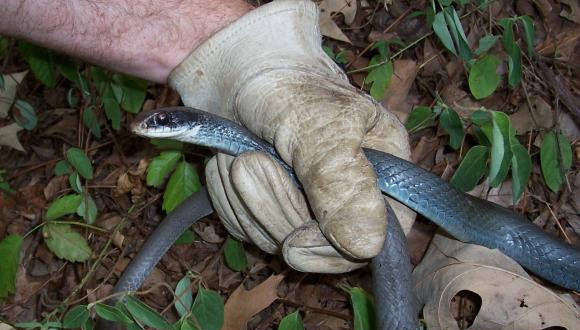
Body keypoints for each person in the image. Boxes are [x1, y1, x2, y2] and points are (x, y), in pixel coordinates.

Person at [1, 0, 415, 272]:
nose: (150, 128)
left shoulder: (210, 127)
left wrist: (241, 51)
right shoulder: (212, 134)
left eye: (163, 122)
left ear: (185, 122)